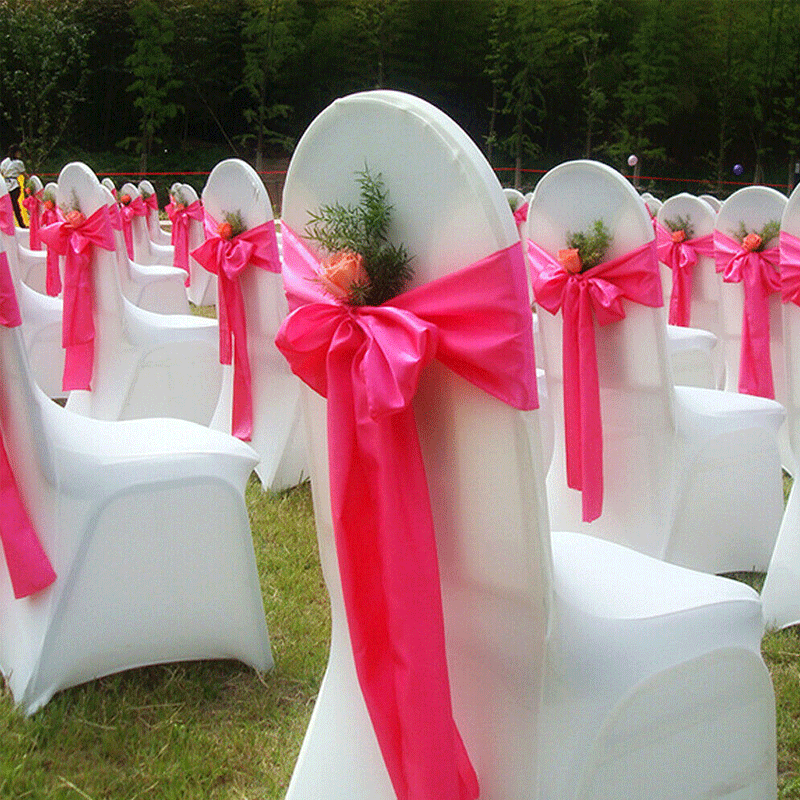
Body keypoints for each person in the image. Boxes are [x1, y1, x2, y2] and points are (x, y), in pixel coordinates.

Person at [1, 144, 27, 227]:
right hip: (14, 184)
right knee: (15, 205)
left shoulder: (4, 162)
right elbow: (24, 173)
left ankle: (10, 223)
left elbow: (2, 172)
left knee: (8, 205)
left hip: (6, 185)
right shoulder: (18, 163)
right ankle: (20, 223)